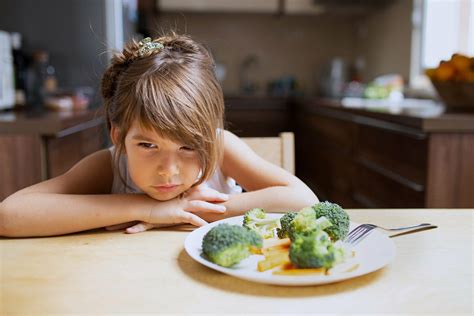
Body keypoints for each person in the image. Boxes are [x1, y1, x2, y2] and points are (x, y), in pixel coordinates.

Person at [0, 33, 318, 237]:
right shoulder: (110, 165)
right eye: (148, 145)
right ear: (118, 136)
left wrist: (188, 209)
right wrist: (146, 208)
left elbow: (303, 199)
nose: (169, 170)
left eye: (188, 146)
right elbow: (10, 215)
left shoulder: (221, 147)